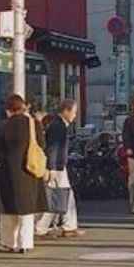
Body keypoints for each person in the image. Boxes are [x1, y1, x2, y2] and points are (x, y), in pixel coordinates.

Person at [0, 94, 47, 253]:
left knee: (8, 209)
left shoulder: (3, 126)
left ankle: (8, 243)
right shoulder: (33, 124)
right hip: (29, 170)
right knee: (26, 210)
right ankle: (24, 243)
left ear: (9, 110)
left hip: (8, 171)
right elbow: (42, 144)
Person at [36, 100, 85, 238]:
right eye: (74, 112)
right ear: (66, 111)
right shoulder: (59, 126)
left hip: (58, 166)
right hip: (56, 167)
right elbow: (53, 147)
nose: (75, 116)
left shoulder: (58, 125)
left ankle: (69, 225)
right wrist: (51, 167)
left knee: (63, 195)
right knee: (55, 196)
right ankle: (42, 226)